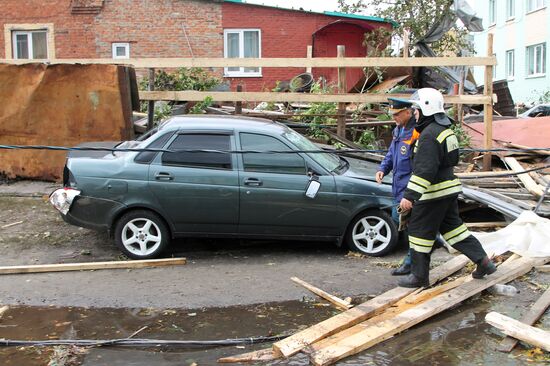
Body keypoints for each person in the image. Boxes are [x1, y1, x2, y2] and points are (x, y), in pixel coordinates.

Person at [398, 88, 496, 288]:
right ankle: (483, 262)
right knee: (454, 230)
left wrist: (410, 196)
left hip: (432, 194)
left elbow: (425, 170)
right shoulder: (445, 130)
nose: (415, 113)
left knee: (418, 232)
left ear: (426, 108)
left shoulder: (428, 135)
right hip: (448, 191)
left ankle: (419, 277)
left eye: (416, 110)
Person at [375, 98, 419, 276]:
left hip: (410, 187)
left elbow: (421, 165)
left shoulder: (417, 132)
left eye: (397, 114)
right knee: (397, 216)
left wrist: (411, 192)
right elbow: (392, 153)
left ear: (408, 112)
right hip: (398, 186)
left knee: (411, 227)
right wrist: (383, 169)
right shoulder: (398, 130)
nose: (394, 117)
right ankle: (434, 239)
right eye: (392, 114)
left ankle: (410, 261)